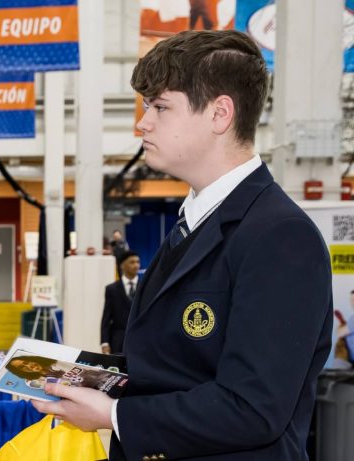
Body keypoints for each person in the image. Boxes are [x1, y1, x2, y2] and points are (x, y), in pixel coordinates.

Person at [33, 30, 333, 461]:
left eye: (159, 107)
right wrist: (82, 378)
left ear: (219, 114)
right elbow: (179, 366)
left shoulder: (280, 236)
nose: (143, 122)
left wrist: (115, 414)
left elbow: (253, 408)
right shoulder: (194, 222)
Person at [100, 250, 139, 355]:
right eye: (132, 262)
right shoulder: (111, 289)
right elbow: (106, 318)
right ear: (122, 265)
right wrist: (104, 342)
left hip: (141, 340)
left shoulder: (146, 287)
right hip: (118, 342)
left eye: (137, 262)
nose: (136, 265)